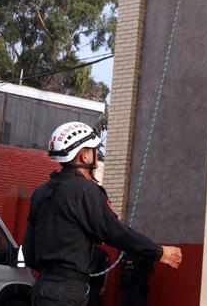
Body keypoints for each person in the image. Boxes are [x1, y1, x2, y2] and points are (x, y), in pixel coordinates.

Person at [24, 122, 182, 306]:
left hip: (42, 288)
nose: (97, 153)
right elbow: (116, 233)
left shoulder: (41, 193)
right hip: (66, 291)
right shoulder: (86, 190)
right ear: (84, 156)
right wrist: (159, 252)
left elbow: (29, 251)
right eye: (94, 149)